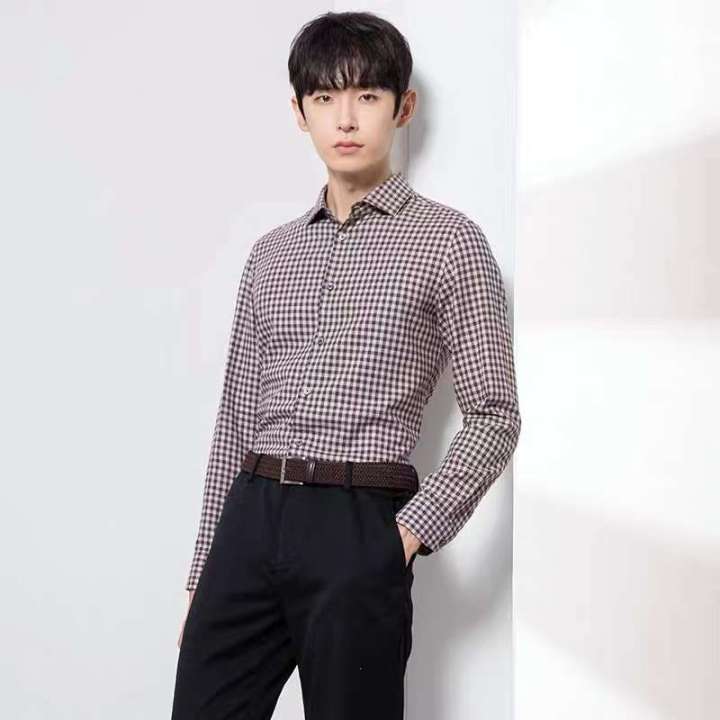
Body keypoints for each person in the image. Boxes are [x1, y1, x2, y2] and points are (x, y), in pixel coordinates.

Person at [171, 10, 521, 720]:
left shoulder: (449, 242)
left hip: (358, 521)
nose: (347, 118)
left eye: (367, 95)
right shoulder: (272, 253)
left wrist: (404, 536)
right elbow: (236, 418)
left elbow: (494, 414)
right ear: (300, 113)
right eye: (325, 98)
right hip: (251, 516)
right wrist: (203, 572)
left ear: (403, 106)